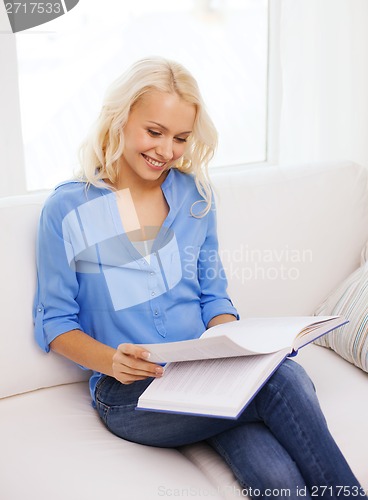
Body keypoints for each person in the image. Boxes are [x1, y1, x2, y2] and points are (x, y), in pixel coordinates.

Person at [34, 57, 364, 498]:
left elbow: (214, 297)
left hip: (205, 378)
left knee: (277, 479)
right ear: (120, 120)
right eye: (154, 132)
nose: (166, 150)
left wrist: (235, 349)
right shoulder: (67, 208)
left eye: (181, 138)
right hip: (131, 396)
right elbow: (55, 322)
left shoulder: (195, 197)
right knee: (285, 381)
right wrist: (113, 361)